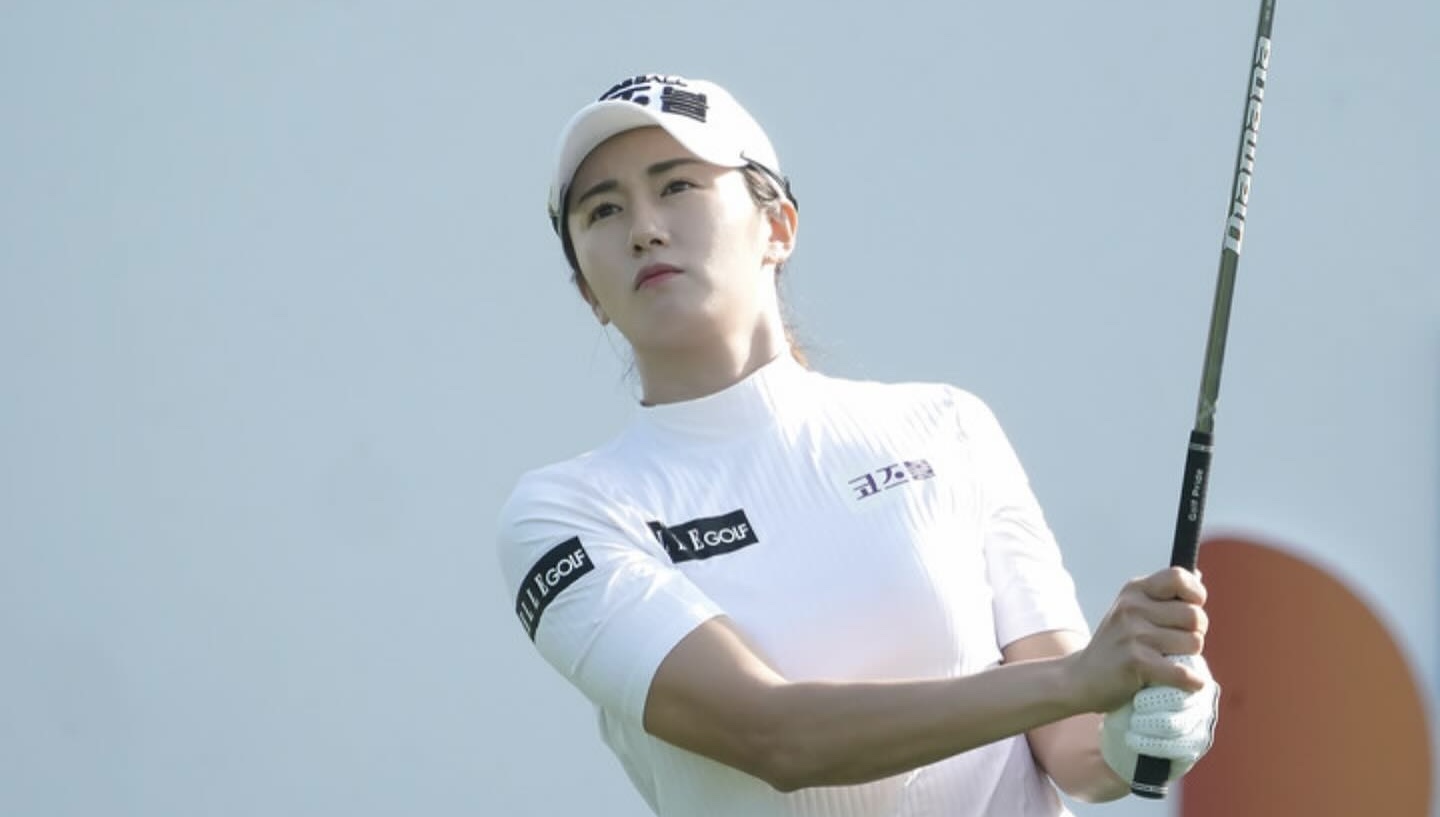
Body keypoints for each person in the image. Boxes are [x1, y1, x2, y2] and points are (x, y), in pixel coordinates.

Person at [497, 73, 1220, 816]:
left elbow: (1073, 748)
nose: (643, 228)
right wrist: (1077, 680)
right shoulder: (565, 514)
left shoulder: (948, 426)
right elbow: (776, 738)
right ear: (588, 291)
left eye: (677, 185)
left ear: (777, 227)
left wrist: (1136, 729)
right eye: (604, 209)